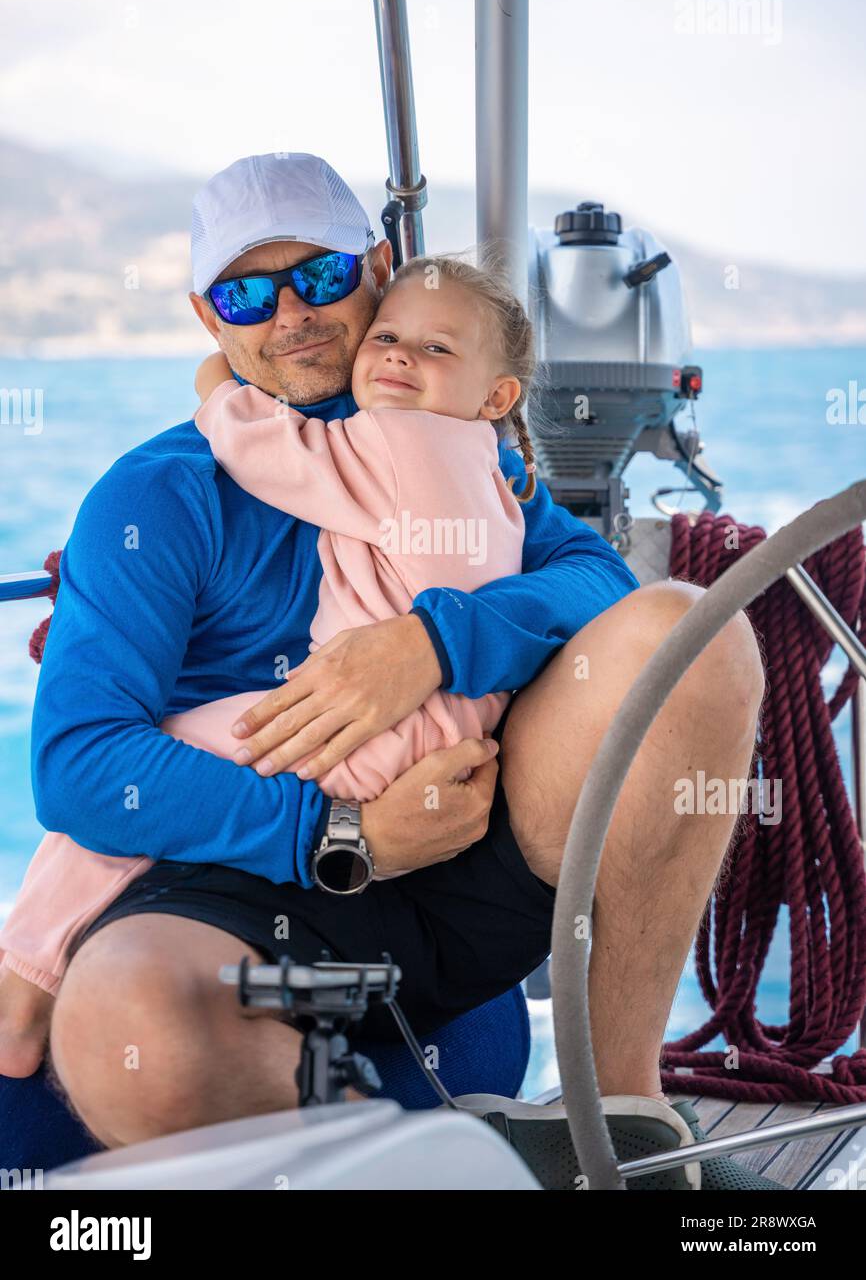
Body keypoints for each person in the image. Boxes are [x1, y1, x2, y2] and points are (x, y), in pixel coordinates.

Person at [0, 155, 765, 1186]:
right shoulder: (155, 498)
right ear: (204, 314)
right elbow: (83, 764)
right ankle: (395, 1153)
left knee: (688, 633)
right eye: (245, 292)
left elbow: (588, 575)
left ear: (374, 264)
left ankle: (623, 1123)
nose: (290, 314)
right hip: (240, 895)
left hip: (460, 862)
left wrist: (432, 645)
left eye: (317, 277)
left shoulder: (453, 444)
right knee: (133, 1019)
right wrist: (340, 835)